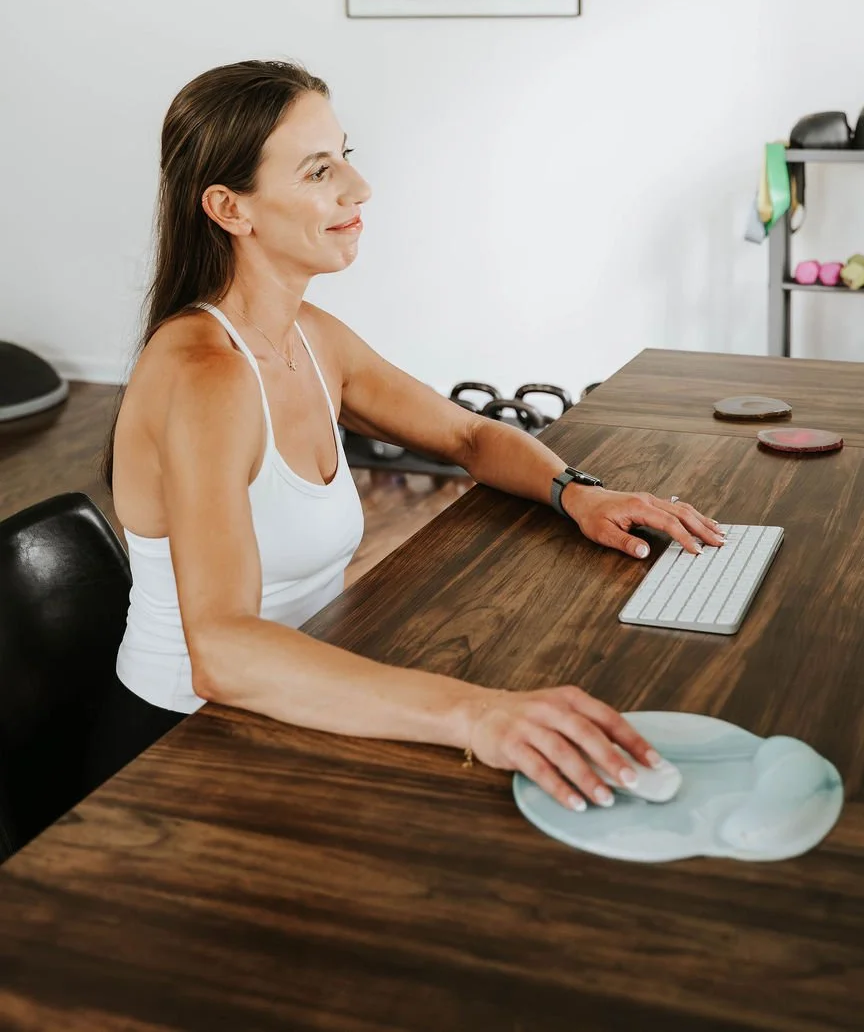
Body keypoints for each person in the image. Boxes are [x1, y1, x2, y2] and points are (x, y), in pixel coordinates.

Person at [88, 59, 723, 814]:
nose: (358, 190)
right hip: (180, 750)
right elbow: (220, 653)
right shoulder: (204, 375)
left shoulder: (310, 338)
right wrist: (475, 712)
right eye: (320, 170)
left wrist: (578, 493)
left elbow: (467, 436)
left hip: (297, 699)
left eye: (345, 157)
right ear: (231, 208)